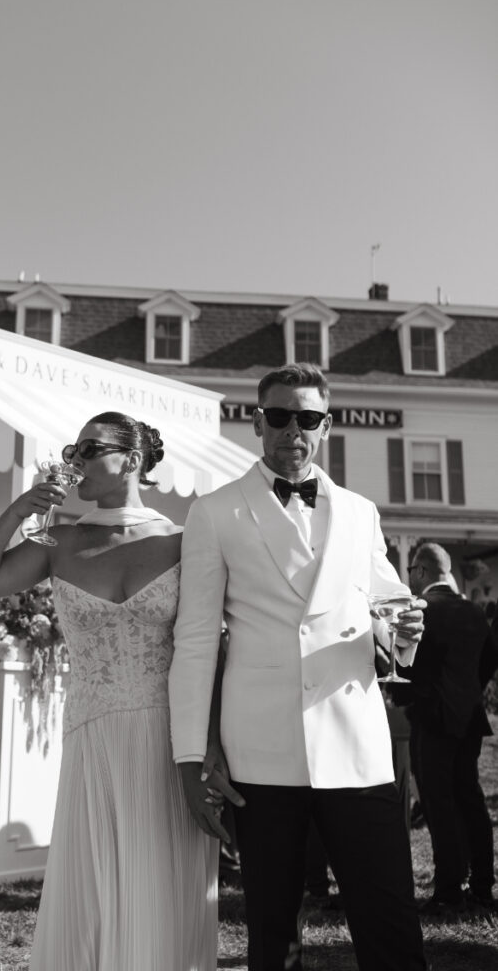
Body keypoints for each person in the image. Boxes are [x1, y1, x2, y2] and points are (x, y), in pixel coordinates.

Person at [169, 362, 429, 971]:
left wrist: (405, 630)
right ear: (258, 422)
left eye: (307, 418)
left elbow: (388, 610)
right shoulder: (215, 512)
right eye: (280, 416)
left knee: (389, 920)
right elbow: (197, 638)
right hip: (262, 753)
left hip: (356, 745)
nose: (294, 429)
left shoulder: (362, 512)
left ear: (326, 426)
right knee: (272, 929)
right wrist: (189, 759)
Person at [0, 412, 219, 971]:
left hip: (170, 735)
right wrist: (19, 511)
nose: (74, 460)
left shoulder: (185, 541)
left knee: (162, 877)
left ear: (132, 458)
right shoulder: (59, 540)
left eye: (88, 448)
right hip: (92, 732)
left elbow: (208, 649)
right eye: (71, 448)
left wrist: (209, 748)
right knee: (95, 884)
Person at [406, 542, 495, 912]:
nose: (408, 577)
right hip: (470, 719)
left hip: (432, 719)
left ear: (423, 571)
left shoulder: (421, 612)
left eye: (411, 570)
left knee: (438, 803)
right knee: (471, 799)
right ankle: (482, 883)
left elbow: (408, 669)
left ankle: (447, 890)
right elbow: (489, 659)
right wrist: (468, 694)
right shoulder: (475, 612)